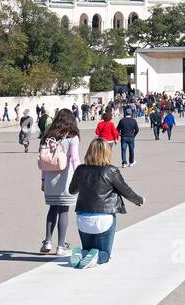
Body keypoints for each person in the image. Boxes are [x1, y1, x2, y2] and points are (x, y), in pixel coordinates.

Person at [69, 138, 145, 267]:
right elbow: (125, 190)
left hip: (82, 218)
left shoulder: (80, 169)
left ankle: (82, 254)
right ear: (107, 153)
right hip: (103, 218)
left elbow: (72, 190)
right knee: (104, 253)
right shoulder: (110, 170)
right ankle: (97, 258)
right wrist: (139, 200)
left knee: (89, 249)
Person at [39, 109, 81, 255]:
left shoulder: (48, 136)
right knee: (64, 210)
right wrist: (80, 176)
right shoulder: (72, 137)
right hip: (66, 178)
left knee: (52, 209)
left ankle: (48, 241)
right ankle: (61, 246)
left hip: (50, 178)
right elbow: (75, 158)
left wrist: (43, 180)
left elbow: (44, 161)